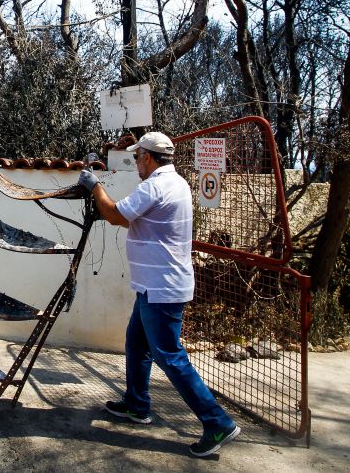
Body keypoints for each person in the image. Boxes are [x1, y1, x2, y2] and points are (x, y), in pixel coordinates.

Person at [78, 131, 241, 458]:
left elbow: (114, 215)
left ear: (149, 158)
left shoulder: (155, 185)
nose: (136, 162)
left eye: (138, 157)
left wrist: (94, 185)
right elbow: (137, 221)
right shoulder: (176, 183)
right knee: (136, 343)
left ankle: (217, 422)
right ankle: (137, 405)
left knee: (169, 355)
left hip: (161, 288)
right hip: (155, 285)